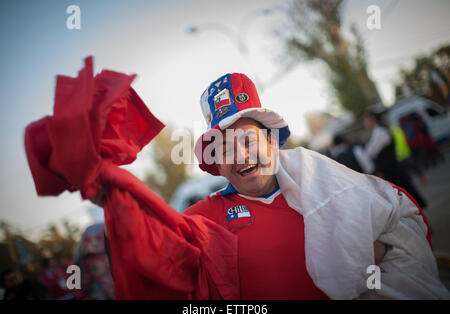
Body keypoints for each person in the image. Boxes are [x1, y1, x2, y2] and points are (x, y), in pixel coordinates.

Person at [93, 73, 449, 299]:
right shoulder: (203, 220)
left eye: (247, 140)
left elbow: (398, 224)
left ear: (272, 142)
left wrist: (361, 254)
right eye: (224, 147)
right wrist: (110, 187)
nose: (239, 154)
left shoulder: (324, 183)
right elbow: (151, 256)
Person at [363, 111, 428, 208]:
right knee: (404, 194)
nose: (365, 123)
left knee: (406, 194)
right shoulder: (378, 131)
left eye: (366, 120)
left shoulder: (380, 132)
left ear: (373, 119)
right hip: (392, 169)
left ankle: (418, 211)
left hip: (393, 170)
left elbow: (370, 152)